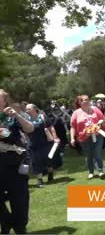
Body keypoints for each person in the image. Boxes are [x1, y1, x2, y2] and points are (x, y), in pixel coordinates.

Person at [0, 89, 34, 234]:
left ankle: (19, 226)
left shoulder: (12, 115)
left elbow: (30, 128)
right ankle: (5, 221)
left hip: (14, 163)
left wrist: (17, 116)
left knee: (19, 198)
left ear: (4, 101)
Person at [70, 95, 105, 179]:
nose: (87, 101)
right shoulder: (76, 113)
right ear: (80, 102)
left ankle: (100, 171)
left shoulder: (95, 109)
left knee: (97, 153)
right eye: (84, 100)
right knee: (89, 155)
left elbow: (103, 119)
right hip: (84, 137)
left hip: (98, 135)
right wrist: (72, 138)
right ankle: (91, 172)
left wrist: (101, 124)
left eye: (88, 100)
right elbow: (72, 126)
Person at [25, 104, 60, 187]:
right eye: (26, 109)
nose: (27, 111)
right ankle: (40, 180)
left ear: (34, 109)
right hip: (33, 144)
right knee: (35, 161)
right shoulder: (26, 119)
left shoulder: (42, 117)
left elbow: (51, 127)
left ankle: (50, 173)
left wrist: (55, 137)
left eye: (28, 109)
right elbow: (25, 131)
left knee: (47, 160)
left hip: (45, 142)